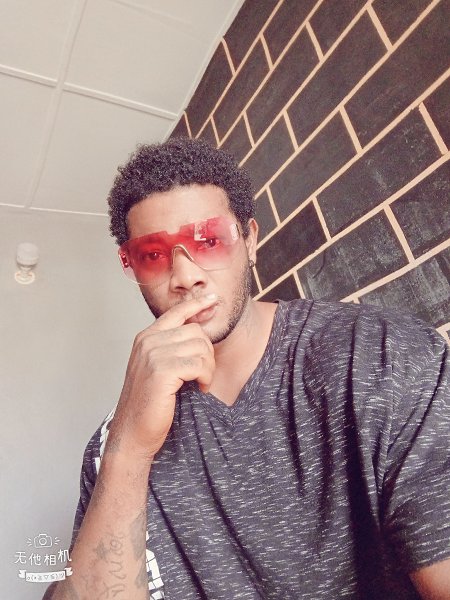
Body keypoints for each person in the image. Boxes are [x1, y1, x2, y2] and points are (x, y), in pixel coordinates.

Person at [44, 137, 450, 599]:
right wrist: (129, 449)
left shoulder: (378, 354)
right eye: (153, 255)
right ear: (131, 266)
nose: (186, 276)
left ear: (250, 240)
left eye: (209, 240)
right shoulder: (112, 446)